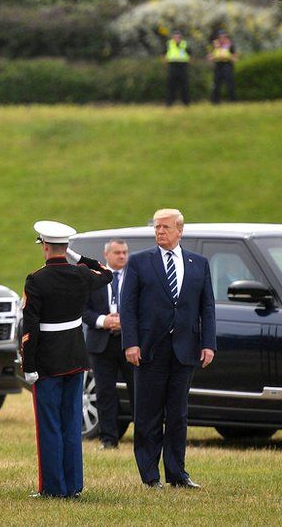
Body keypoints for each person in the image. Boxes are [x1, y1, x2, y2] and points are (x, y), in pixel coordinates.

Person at [120, 209, 216, 489]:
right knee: (148, 415)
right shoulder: (140, 262)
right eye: (156, 227)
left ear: (179, 230)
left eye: (165, 227)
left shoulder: (198, 263)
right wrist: (131, 342)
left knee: (178, 415)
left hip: (185, 349)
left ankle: (177, 474)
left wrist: (208, 343)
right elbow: (128, 306)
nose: (160, 231)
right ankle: (150, 476)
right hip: (150, 350)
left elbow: (206, 306)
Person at [21, 221, 112, 499]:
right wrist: (78, 258)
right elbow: (106, 273)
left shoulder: (36, 280)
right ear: (66, 248)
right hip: (75, 356)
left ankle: (53, 487)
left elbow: (30, 328)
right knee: (71, 423)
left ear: (45, 247)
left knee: (49, 425)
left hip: (48, 361)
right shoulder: (81, 275)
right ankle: (73, 486)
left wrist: (29, 366)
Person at [82, 238, 135, 449]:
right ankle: (108, 439)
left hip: (129, 342)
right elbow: (83, 310)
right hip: (100, 343)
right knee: (105, 392)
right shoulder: (94, 279)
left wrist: (126, 321)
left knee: (137, 391)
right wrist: (103, 320)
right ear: (106, 255)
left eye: (124, 252)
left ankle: (143, 437)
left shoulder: (135, 277)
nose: (122, 256)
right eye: (117, 253)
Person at [208, 30, 238, 104]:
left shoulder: (230, 45)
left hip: (227, 65)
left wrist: (227, 56)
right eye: (220, 37)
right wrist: (213, 56)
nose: (222, 39)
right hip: (218, 65)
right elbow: (209, 57)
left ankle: (232, 101)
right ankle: (215, 101)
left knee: (230, 84)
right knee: (216, 84)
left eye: (224, 37)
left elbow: (235, 58)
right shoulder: (214, 45)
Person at [165, 30, 191, 106]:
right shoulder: (169, 44)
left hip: (183, 67)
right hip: (172, 66)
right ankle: (169, 103)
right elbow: (163, 54)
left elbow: (190, 54)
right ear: (172, 38)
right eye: (175, 37)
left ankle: (186, 103)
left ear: (181, 38)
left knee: (184, 86)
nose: (177, 38)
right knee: (171, 86)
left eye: (178, 37)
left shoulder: (185, 44)